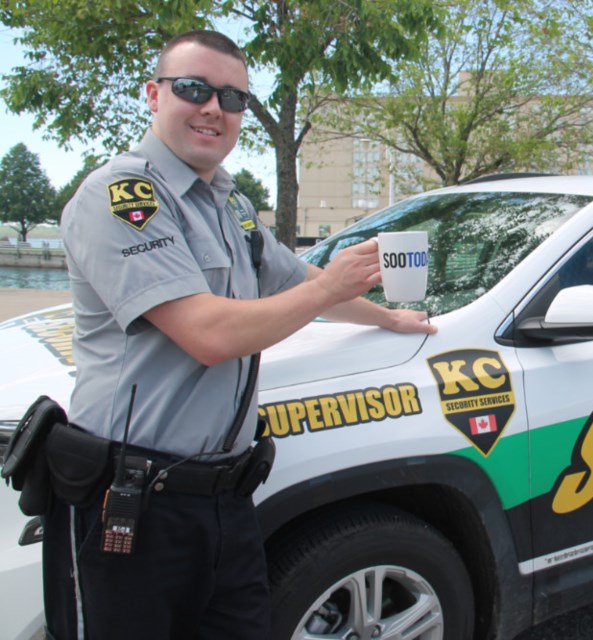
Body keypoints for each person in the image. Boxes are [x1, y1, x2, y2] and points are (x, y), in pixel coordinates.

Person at [48, 30, 436, 640]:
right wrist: (327, 290)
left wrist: (389, 317)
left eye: (232, 99)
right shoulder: (121, 198)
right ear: (154, 94)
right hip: (133, 503)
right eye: (194, 89)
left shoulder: (227, 203)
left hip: (225, 497)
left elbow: (294, 275)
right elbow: (206, 333)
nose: (214, 109)